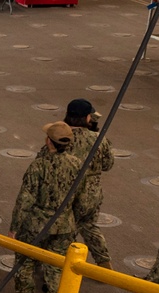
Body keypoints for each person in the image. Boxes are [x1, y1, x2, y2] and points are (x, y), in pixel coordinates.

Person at [7, 122, 85, 293]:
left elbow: (25, 198)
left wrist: (15, 226)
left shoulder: (39, 165)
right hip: (64, 225)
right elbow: (81, 198)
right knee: (56, 267)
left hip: (36, 224)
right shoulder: (77, 164)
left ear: (48, 142)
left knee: (25, 260)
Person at [64, 98, 114, 269]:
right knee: (89, 226)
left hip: (67, 189)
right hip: (92, 191)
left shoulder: (62, 136)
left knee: (65, 228)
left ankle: (59, 264)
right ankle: (103, 261)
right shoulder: (98, 139)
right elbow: (108, 165)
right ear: (87, 118)